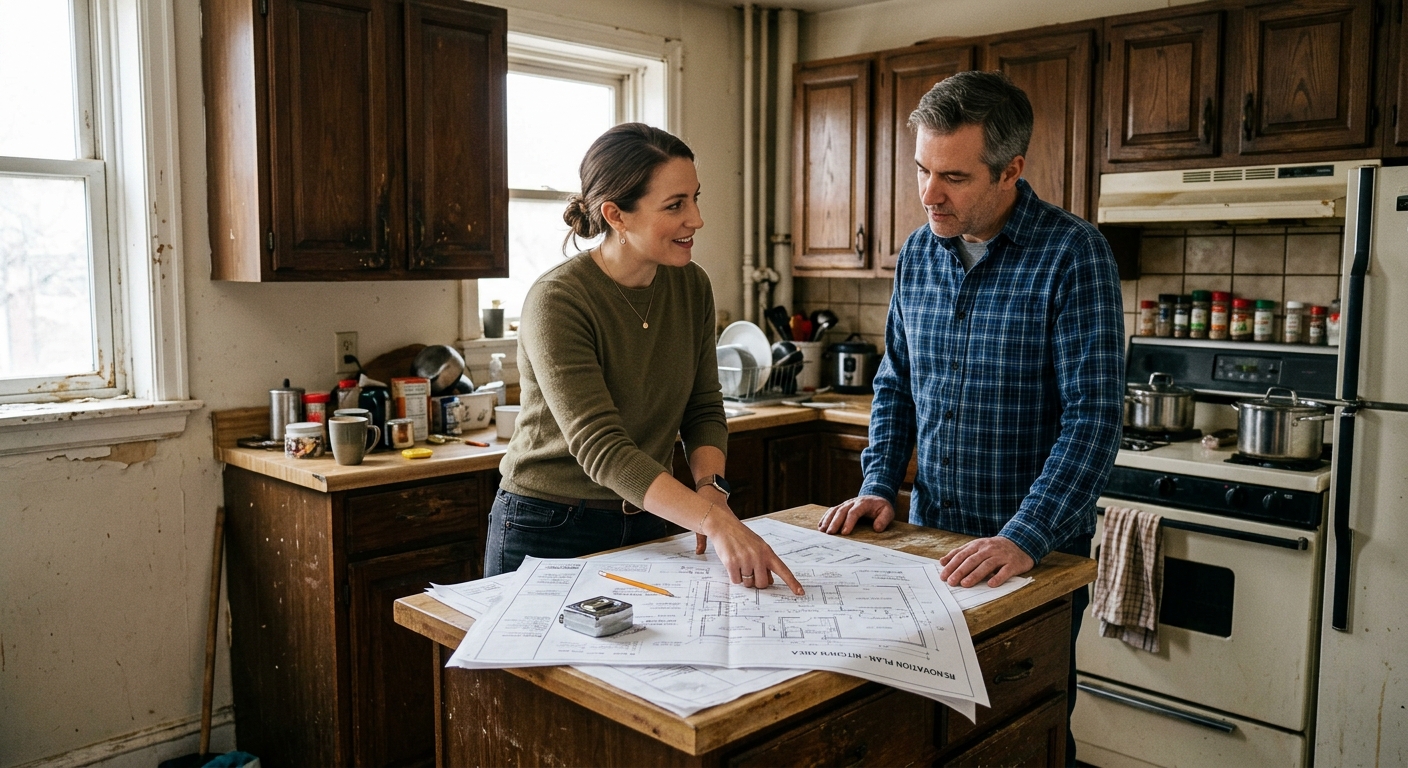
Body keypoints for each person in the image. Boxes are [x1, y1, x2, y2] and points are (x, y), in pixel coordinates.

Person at [817, 72, 1123, 764]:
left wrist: (1024, 536)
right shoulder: (920, 250)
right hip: (930, 541)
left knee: (1018, 730)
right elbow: (896, 382)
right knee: (931, 731)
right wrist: (876, 483)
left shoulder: (1074, 255)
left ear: (1011, 170)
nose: (929, 194)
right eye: (923, 169)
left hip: (1032, 556)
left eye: (952, 176)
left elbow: (1095, 419)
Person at [485, 122, 803, 595]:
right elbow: (603, 450)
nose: (696, 219)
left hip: (654, 518)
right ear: (617, 215)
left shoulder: (691, 285)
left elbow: (703, 406)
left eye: (695, 198)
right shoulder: (558, 300)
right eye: (675, 205)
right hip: (549, 525)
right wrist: (716, 522)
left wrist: (711, 490)